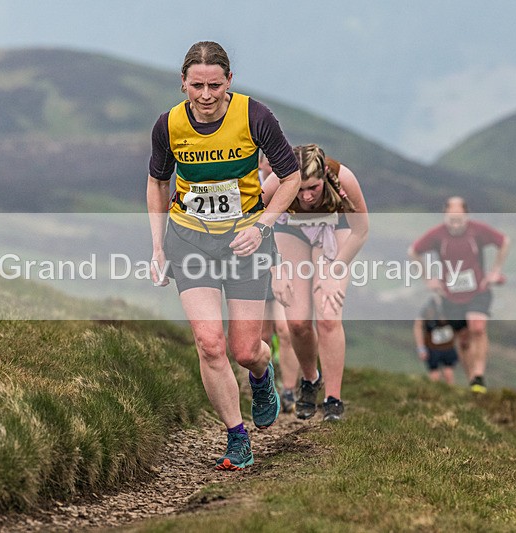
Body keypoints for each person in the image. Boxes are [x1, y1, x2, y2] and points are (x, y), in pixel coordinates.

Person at [146, 41, 300, 470]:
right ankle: (237, 437)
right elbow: (158, 183)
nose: (207, 95)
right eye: (197, 85)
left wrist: (262, 226)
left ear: (229, 81)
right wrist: (158, 246)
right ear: (183, 83)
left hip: (246, 241)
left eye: (215, 85)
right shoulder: (169, 125)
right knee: (209, 343)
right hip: (190, 239)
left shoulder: (255, 116)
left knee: (245, 349)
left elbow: (290, 177)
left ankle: (261, 375)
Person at [262, 144, 369, 422]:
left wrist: (335, 271)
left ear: (324, 177)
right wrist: (276, 270)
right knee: (296, 322)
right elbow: (257, 227)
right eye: (299, 190)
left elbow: (361, 230)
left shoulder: (344, 177)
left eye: (313, 188)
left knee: (328, 315)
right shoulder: (275, 182)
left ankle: (333, 399)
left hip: (337, 228)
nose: (306, 196)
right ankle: (310, 379)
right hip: (290, 231)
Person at [407, 196, 510, 393]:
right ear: (445, 216)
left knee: (477, 327)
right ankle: (473, 380)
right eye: (451, 219)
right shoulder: (437, 235)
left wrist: (495, 271)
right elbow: (414, 252)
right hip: (451, 296)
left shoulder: (478, 230)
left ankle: (479, 375)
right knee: (463, 340)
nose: (455, 223)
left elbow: (504, 242)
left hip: (478, 290)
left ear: (466, 215)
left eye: (459, 218)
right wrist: (428, 279)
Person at [259, 153, 300, 413]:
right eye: (269, 162)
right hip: (258, 268)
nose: (274, 167)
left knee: (285, 331)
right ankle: (265, 387)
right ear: (261, 164)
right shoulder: (254, 187)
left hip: (285, 267)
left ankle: (289, 390)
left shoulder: (290, 186)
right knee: (262, 335)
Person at [413, 296, 458, 384]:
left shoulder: (451, 308)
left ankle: (448, 392)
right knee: (435, 373)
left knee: (448, 372)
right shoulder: (429, 308)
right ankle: (437, 393)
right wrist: (421, 347)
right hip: (433, 348)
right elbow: (418, 326)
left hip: (447, 347)